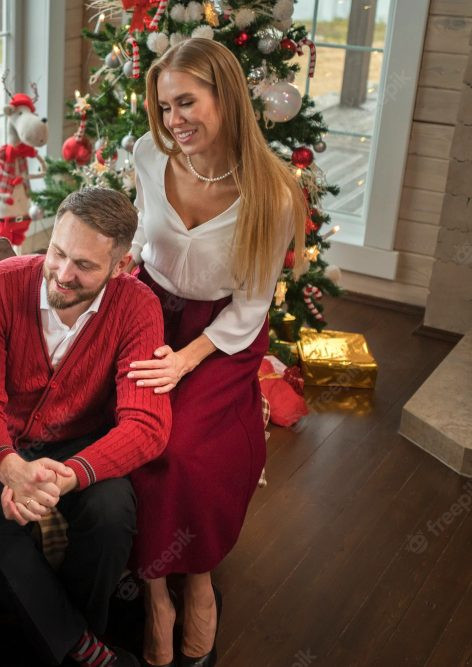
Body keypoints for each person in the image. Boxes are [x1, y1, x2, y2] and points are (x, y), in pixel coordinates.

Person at [126, 38, 307, 667]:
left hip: (219, 334)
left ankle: (198, 581)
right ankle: (155, 597)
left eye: (186, 102)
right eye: (164, 105)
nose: (174, 120)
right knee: (132, 436)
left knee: (182, 452)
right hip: (147, 312)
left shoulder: (273, 192)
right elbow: (139, 245)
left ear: (225, 97)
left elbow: (251, 307)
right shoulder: (147, 154)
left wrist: (184, 359)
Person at [0, 187, 172, 667]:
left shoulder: (138, 308)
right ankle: (83, 651)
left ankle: (71, 639)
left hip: (81, 444)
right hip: (2, 440)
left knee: (113, 510)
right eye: (57, 252)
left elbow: (148, 424)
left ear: (121, 266)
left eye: (85, 266)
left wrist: (69, 474)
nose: (63, 274)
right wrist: (9, 467)